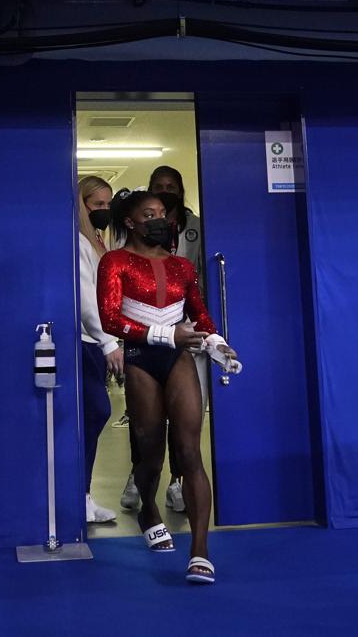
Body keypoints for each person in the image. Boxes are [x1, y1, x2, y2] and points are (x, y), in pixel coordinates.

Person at [98, 190, 241, 584]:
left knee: (189, 450)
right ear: (130, 222)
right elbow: (111, 319)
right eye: (149, 214)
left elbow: (200, 314)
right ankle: (147, 507)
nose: (159, 219)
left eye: (162, 213)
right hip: (143, 358)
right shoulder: (116, 261)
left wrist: (216, 344)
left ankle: (200, 550)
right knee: (151, 455)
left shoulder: (180, 266)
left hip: (178, 358)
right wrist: (167, 335)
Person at [120, 166, 209, 515]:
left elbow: (197, 283)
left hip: (184, 334)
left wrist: (209, 335)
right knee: (145, 421)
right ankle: (141, 475)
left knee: (185, 420)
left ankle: (176, 481)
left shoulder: (196, 228)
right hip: (143, 339)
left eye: (172, 187)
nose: (165, 193)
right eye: (159, 188)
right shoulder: (126, 249)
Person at [77, 176, 123, 524]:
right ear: (82, 205)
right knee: (94, 412)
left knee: (93, 418)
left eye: (108, 204)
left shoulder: (98, 243)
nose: (104, 211)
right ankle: (80, 495)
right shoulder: (79, 243)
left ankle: (85, 495)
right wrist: (108, 343)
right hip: (87, 342)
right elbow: (86, 300)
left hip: (100, 341)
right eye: (97, 205)